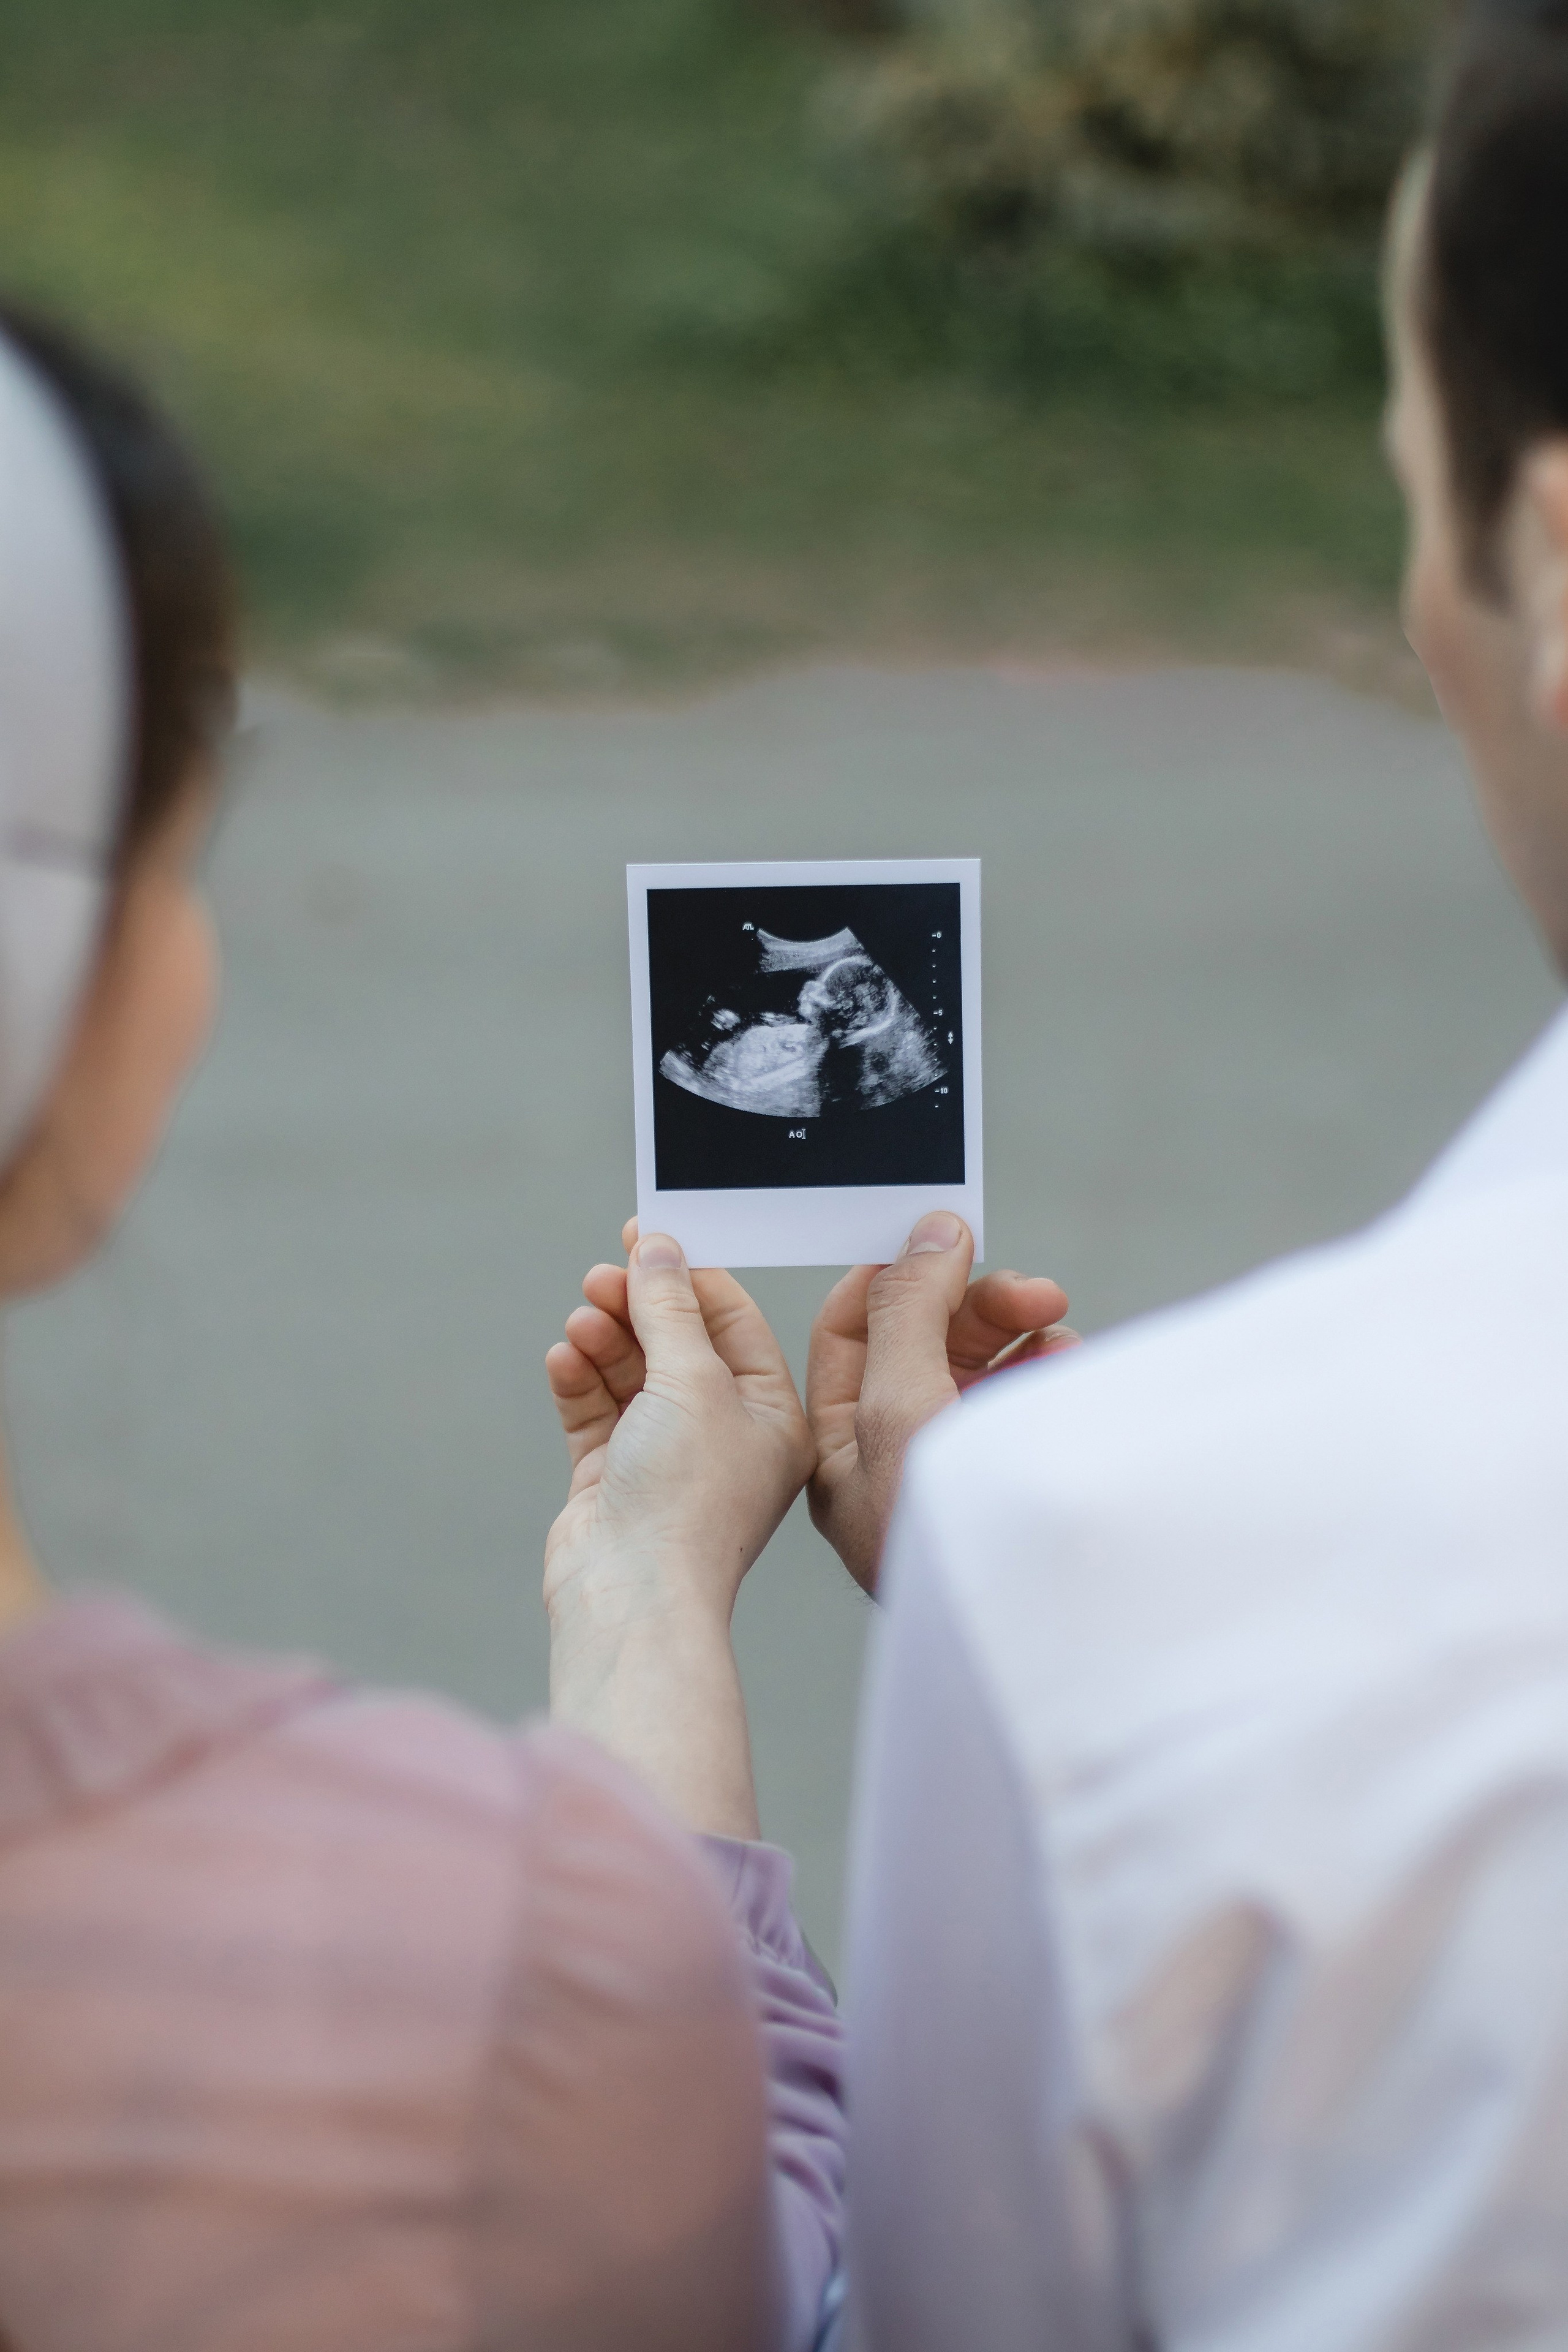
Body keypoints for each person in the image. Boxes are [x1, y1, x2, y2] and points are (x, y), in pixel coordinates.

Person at [545, 2, 1568, 2342]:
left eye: (1409, 485)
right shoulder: (1121, 1562)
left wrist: (658, 1618)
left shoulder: (1147, 1544)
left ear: (1545, 564)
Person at [0, 306, 845, 2352]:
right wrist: (654, 1612)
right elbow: (768, 2281)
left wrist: (643, 1568)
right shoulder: (475, 1979)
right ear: (73, 998)